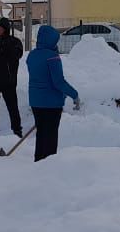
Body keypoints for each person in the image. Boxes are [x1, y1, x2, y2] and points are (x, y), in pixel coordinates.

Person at [25, 24, 80, 161]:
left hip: (35, 101)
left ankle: (38, 162)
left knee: (41, 134)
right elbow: (58, 82)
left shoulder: (32, 55)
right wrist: (74, 94)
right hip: (51, 103)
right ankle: (48, 166)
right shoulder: (52, 57)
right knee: (50, 137)